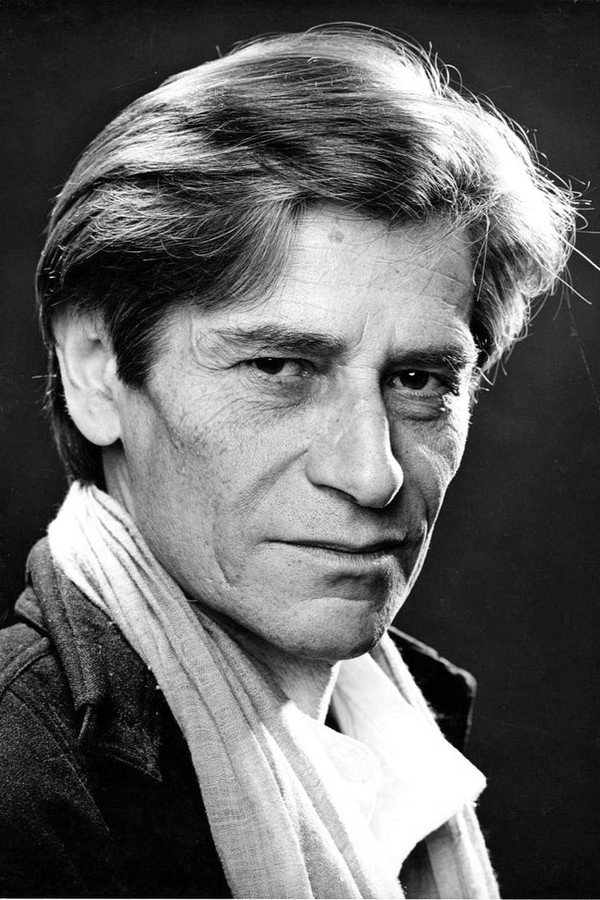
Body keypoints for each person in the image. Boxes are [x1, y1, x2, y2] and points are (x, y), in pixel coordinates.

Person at [0, 25, 575, 899]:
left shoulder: (401, 739)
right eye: (279, 368)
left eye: (419, 380)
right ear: (96, 369)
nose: (373, 474)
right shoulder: (19, 794)